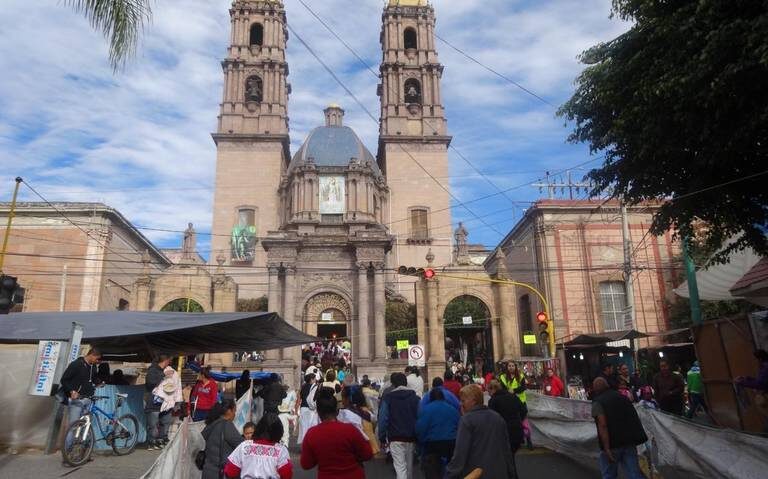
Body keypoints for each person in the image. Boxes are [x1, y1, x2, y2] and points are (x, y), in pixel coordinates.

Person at [445, 384, 517, 479]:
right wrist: (511, 474)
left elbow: (460, 454)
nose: (460, 404)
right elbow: (506, 450)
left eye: (463, 401)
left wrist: (449, 475)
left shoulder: (466, 421)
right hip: (499, 472)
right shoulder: (497, 418)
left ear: (473, 401)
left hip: (476, 474)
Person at [300, 387, 373, 478]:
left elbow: (306, 464)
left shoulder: (311, 434)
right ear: (336, 410)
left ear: (318, 412)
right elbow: (367, 454)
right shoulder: (350, 430)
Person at [591, 377, 648, 479]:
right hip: (629, 441)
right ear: (607, 385)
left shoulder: (597, 402)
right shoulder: (622, 397)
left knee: (609, 474)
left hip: (612, 444)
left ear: (595, 389)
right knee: (633, 473)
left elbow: (602, 425)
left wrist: (606, 448)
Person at [223, 414, 293, 479]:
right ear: (279, 431)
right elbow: (287, 474)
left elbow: (230, 472)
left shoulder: (244, 446)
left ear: (259, 428)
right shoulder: (281, 450)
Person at [378, 372, 420, 479]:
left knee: (400, 468)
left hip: (395, 437)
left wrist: (382, 437)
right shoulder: (415, 398)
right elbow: (420, 416)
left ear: (393, 384)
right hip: (411, 437)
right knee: (409, 468)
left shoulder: (388, 398)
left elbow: (383, 419)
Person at [60, 348, 102, 451]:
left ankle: (84, 453)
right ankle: (67, 452)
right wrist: (71, 391)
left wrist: (100, 383)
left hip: (88, 400)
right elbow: (64, 379)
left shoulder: (93, 367)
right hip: (77, 400)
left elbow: (94, 379)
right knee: (73, 426)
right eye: (97, 359)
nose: (98, 361)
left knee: (86, 426)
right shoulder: (76, 364)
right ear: (91, 355)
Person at [416, 387, 460, 479]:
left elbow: (421, 428)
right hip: (450, 443)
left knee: (433, 472)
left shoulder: (426, 409)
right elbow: (459, 426)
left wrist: (421, 443)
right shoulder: (452, 409)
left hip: (433, 445)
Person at [487, 379, 524, 473]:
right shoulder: (513, 396)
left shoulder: (493, 401)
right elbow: (524, 410)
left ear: (493, 389)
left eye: (488, 391)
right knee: (510, 458)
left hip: (504, 433)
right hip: (517, 431)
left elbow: (492, 419)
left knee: (507, 461)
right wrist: (518, 420)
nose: (488, 393)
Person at [201, 400, 243, 479]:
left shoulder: (211, 424)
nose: (235, 414)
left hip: (207, 471)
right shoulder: (226, 425)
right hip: (220, 473)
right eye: (234, 411)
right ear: (229, 411)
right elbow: (241, 445)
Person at [151, 363, 183, 448]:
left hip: (168, 399)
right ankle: (154, 440)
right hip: (159, 400)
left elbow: (178, 387)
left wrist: (177, 401)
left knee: (164, 421)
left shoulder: (174, 374)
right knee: (156, 422)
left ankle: (161, 438)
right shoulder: (159, 372)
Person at [735, 349, 768, 428]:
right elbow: (760, 381)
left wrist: (742, 382)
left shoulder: (766, 367)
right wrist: (747, 378)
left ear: (759, 359)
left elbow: (760, 384)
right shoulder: (764, 367)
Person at [297, 374, 318, 445]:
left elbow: (299, 398)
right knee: (310, 427)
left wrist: (296, 409)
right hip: (310, 409)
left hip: (303, 408)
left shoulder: (302, 387)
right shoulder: (314, 387)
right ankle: (309, 443)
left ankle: (303, 444)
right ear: (311, 379)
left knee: (303, 428)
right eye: (314, 379)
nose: (315, 380)